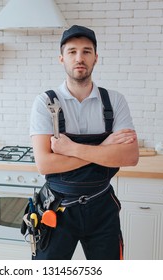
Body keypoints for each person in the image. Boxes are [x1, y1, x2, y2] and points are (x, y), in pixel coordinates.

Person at [29, 25, 139, 260]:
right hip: (57, 209)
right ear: (62, 58)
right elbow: (45, 165)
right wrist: (104, 148)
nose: (79, 58)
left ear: (96, 58)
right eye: (72, 52)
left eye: (86, 51)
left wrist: (71, 149)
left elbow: (129, 157)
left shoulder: (114, 101)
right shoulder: (46, 103)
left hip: (102, 207)